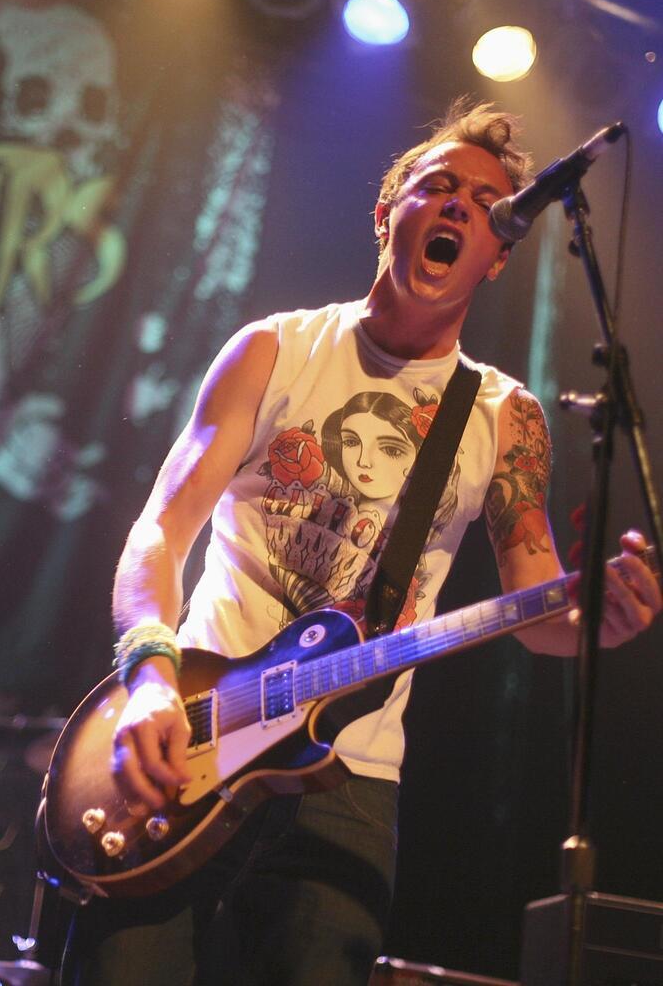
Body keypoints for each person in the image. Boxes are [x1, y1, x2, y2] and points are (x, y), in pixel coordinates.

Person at [58, 98, 662, 986]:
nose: (460, 206)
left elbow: (537, 609)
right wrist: (150, 677)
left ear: (498, 254)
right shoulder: (274, 350)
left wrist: (597, 623)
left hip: (349, 778)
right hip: (192, 735)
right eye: (438, 186)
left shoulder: (506, 418)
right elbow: (161, 529)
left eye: (486, 204)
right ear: (387, 216)